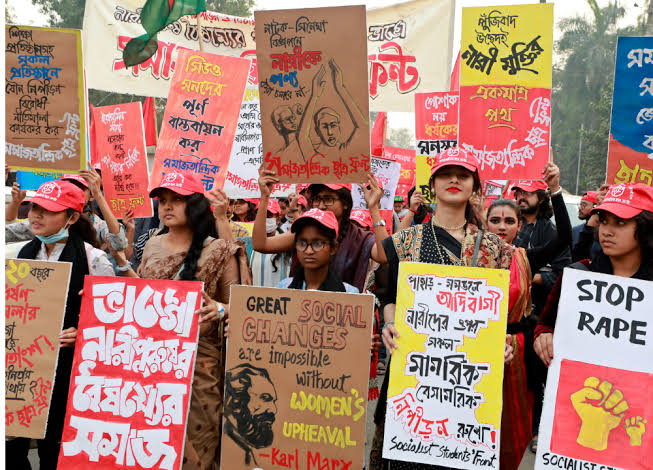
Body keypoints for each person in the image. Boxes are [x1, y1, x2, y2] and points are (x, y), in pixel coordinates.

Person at [366, 147, 529, 470]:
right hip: (414, 376)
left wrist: (504, 344)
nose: (454, 179)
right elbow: (391, 296)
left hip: (466, 386)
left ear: (474, 186)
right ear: (432, 184)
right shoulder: (407, 241)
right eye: (445, 174)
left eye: (463, 175)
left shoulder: (496, 249)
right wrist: (389, 324)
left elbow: (503, 321)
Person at [112, 171, 250, 470]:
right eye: (163, 200)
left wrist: (221, 309)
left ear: (196, 205)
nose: (167, 206)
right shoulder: (152, 244)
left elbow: (243, 305)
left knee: (197, 449)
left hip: (200, 368)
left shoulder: (219, 250)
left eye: (177, 199)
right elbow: (143, 296)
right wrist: (106, 295)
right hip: (152, 363)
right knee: (151, 444)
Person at [7, 180, 114, 470]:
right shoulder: (21, 254)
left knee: (55, 448)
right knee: (13, 447)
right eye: (34, 208)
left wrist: (83, 333)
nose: (36, 215)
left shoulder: (94, 259)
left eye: (48, 210)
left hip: (70, 370)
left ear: (72, 217)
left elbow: (110, 321)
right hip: (26, 366)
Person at [484, 162, 573, 467]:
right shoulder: (467, 258)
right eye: (495, 220)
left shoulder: (525, 258)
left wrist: (555, 191)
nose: (502, 227)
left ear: (519, 227)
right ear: (484, 224)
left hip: (518, 350)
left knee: (514, 419)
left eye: (509, 221)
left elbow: (564, 238)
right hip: (477, 346)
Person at [534, 183, 653, 367]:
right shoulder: (578, 274)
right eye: (603, 221)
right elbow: (545, 323)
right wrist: (543, 336)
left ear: (646, 227)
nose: (607, 231)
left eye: (620, 222)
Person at [511, 176, 572, 452]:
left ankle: (536, 430)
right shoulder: (498, 240)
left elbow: (560, 272)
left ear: (541, 197)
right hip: (497, 323)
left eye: (527, 192)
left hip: (535, 321)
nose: (521, 197)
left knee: (535, 380)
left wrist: (525, 276)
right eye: (518, 192)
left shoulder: (548, 232)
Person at [254, 167, 379, 292]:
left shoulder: (359, 238)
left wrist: (373, 208)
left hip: (341, 303)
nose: (321, 206)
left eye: (328, 199)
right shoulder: (285, 284)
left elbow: (382, 255)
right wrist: (265, 196)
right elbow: (261, 244)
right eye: (317, 199)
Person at [223, 364, 278, 467]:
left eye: (273, 402)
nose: (274, 410)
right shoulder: (224, 451)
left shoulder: (248, 453)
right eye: (265, 398)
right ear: (237, 401)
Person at [250, 198, 291, 287]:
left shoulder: (286, 244)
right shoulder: (247, 243)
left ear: (278, 219)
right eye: (260, 215)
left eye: (268, 216)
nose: (263, 219)